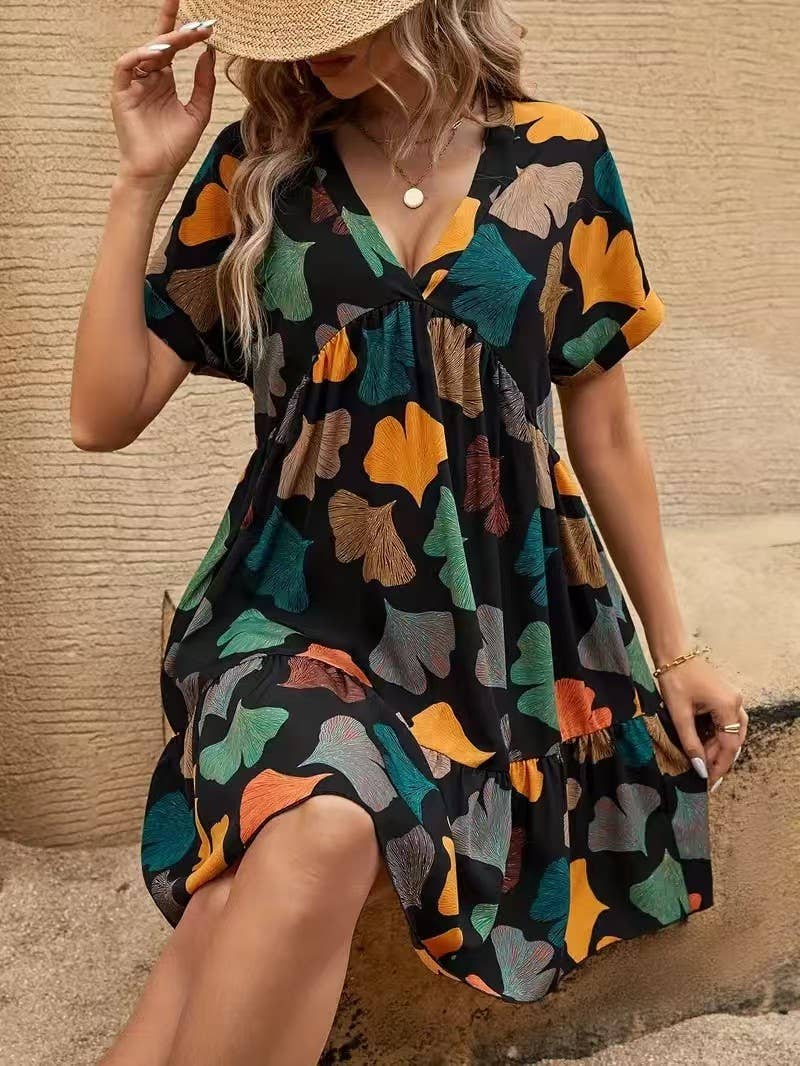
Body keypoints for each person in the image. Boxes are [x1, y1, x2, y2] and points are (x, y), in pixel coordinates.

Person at [72, 1, 749, 1063]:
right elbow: (101, 416)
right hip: (289, 610)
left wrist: (673, 650)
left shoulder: (564, 157)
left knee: (236, 903)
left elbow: (604, 427)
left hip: (490, 630)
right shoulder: (257, 167)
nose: (319, 36)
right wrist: (140, 177)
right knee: (326, 819)